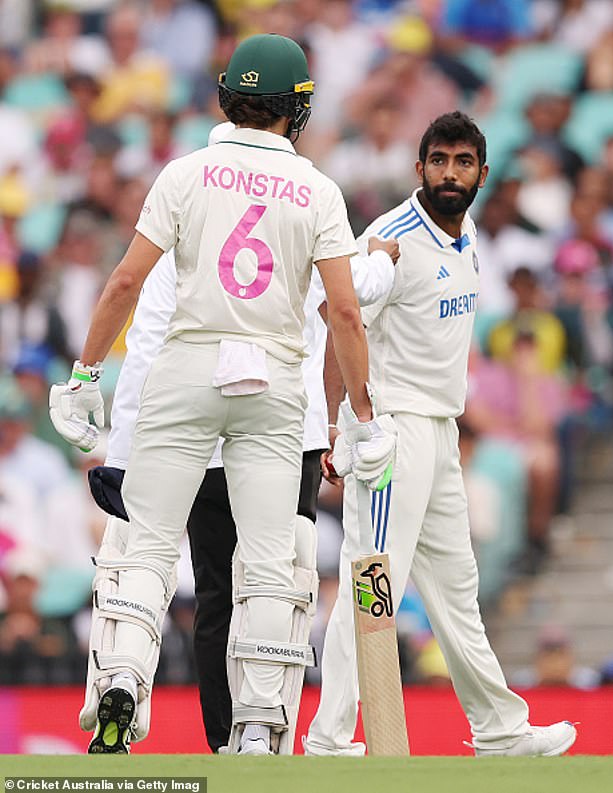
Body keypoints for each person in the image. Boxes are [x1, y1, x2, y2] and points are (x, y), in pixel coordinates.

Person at [49, 34, 396, 755]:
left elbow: (124, 283)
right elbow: (344, 311)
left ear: (224, 97)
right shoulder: (318, 189)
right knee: (273, 560)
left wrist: (85, 375)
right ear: (296, 109)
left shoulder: (184, 174)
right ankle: (260, 728)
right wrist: (362, 414)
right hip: (272, 382)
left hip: (187, 371)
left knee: (143, 546)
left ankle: (120, 676)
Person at [304, 111, 577, 758]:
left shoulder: (469, 230)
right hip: (391, 436)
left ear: (482, 172)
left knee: (457, 589)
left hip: (441, 433)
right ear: (418, 166)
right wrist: (337, 429)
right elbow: (338, 320)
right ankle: (329, 735)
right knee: (373, 586)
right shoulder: (390, 238)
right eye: (438, 160)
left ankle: (500, 729)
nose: (449, 173)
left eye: (462, 162)